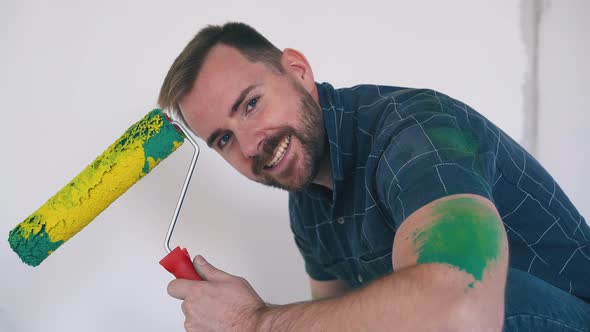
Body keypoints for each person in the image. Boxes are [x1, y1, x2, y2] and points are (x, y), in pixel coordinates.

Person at [158, 22, 590, 331]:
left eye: (251, 104)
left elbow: (460, 310)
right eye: (223, 140)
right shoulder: (307, 201)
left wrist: (255, 322)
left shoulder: (413, 134)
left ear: (298, 70)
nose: (250, 146)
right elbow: (337, 318)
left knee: (468, 291)